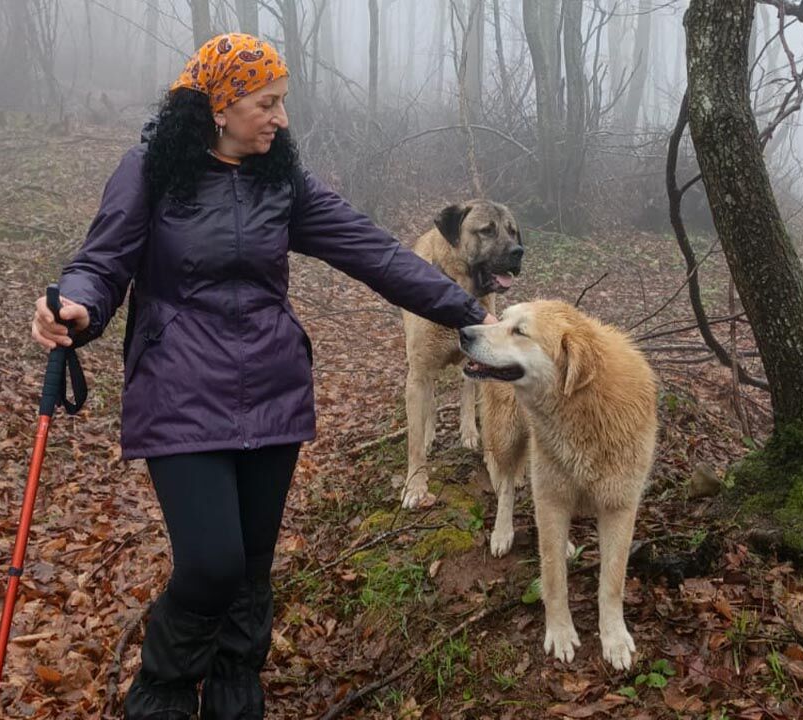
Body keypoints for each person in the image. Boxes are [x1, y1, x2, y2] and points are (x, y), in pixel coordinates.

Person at [29, 33, 496, 720]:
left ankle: (234, 695)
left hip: (272, 394)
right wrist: (75, 305)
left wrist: (468, 313)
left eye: (281, 103)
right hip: (179, 393)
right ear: (220, 106)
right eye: (265, 103)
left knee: (248, 573)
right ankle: (160, 696)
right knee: (212, 564)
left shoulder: (283, 182)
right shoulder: (152, 171)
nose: (279, 118)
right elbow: (102, 262)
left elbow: (373, 253)